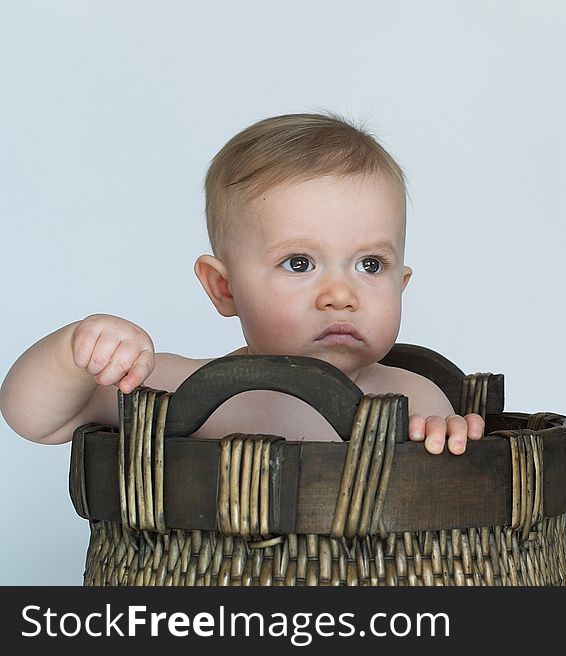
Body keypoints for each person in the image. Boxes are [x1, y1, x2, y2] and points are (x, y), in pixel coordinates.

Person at [0, 113, 484, 455]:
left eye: (371, 266)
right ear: (224, 288)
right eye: (298, 263)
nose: (341, 295)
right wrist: (74, 350)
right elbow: (38, 421)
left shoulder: (411, 398)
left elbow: (440, 488)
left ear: (402, 284)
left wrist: (448, 435)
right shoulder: (183, 390)